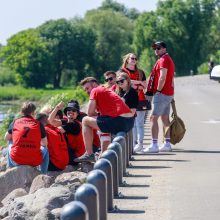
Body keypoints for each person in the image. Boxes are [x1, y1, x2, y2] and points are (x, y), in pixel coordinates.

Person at [74, 77, 134, 162]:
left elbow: (90, 113)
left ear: (94, 84)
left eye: (87, 88)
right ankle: (103, 154)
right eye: (85, 90)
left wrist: (95, 117)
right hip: (129, 122)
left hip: (120, 121)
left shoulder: (95, 90)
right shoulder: (105, 90)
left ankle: (89, 153)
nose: (86, 91)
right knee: (101, 122)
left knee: (85, 121)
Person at [143, 41, 175, 153]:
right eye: (155, 48)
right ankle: (167, 144)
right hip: (168, 93)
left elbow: (163, 77)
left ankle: (154, 145)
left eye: (158, 48)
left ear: (164, 49)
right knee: (165, 118)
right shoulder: (167, 59)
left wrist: (157, 91)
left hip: (161, 93)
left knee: (153, 118)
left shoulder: (163, 60)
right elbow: (171, 79)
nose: (156, 50)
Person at [5, 102, 49, 174]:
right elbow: (45, 143)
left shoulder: (15, 122)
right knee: (46, 149)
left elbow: (6, 137)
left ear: (21, 112)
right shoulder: (38, 124)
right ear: (33, 112)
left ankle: (10, 169)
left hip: (16, 161)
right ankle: (43, 174)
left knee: (10, 141)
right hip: (34, 162)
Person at [121, 53, 147, 152]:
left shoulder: (140, 72)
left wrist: (136, 85)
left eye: (135, 59)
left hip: (140, 99)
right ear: (127, 59)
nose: (134, 60)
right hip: (127, 101)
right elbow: (124, 82)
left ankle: (140, 144)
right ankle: (133, 144)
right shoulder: (122, 71)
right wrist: (138, 83)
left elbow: (145, 85)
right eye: (132, 58)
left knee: (139, 123)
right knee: (131, 123)